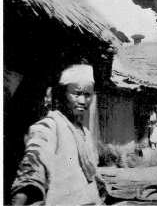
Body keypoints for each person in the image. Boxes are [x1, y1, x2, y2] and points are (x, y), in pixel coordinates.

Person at [11, 64, 101, 205]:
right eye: (76, 94)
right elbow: (34, 163)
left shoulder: (85, 133)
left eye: (88, 95)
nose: (83, 101)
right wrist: (21, 197)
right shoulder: (49, 126)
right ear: (62, 94)